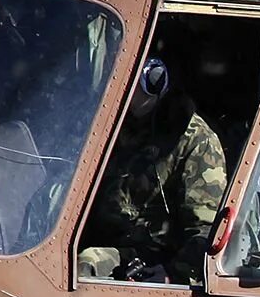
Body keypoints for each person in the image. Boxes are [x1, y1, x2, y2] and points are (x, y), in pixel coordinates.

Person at [79, 56, 228, 283]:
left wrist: (174, 273)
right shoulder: (108, 123)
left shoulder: (195, 140)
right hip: (104, 239)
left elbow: (207, 229)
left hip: (155, 256)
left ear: (152, 81)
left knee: (87, 263)